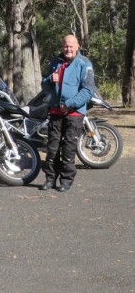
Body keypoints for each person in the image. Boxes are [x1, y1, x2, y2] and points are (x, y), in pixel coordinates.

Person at [40, 35, 96, 192]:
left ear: (77, 46)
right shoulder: (55, 62)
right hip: (55, 111)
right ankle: (50, 179)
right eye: (65, 46)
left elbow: (88, 91)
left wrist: (69, 105)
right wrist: (50, 79)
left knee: (68, 149)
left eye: (71, 46)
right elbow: (44, 85)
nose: (68, 49)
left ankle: (66, 180)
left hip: (74, 114)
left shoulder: (84, 64)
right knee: (52, 148)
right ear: (62, 46)